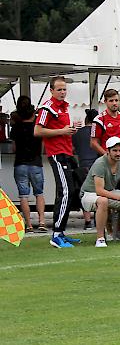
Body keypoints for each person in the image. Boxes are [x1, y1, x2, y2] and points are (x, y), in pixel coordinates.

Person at [34, 76, 82, 248]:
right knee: (66, 192)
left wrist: (71, 129)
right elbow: (38, 131)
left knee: (69, 191)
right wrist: (62, 130)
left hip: (66, 152)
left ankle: (60, 232)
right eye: (59, 90)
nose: (63, 92)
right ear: (52, 91)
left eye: (64, 89)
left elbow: (62, 130)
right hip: (56, 153)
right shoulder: (47, 108)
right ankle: (56, 234)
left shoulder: (64, 108)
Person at [10, 95, 46, 233]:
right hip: (36, 163)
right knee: (39, 193)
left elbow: (13, 148)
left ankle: (29, 224)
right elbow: (42, 147)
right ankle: (42, 221)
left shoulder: (15, 128)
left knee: (23, 195)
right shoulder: (37, 128)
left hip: (20, 163)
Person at [72, 108, 100, 230]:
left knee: (85, 193)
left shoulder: (77, 133)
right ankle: (98, 219)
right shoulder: (98, 133)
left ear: (86, 119)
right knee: (98, 193)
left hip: (82, 165)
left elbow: (72, 149)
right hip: (97, 165)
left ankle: (87, 221)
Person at [90, 89, 120, 155]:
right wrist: (106, 156)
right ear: (105, 101)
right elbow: (93, 143)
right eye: (111, 101)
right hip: (107, 159)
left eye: (116, 100)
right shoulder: (99, 120)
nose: (114, 103)